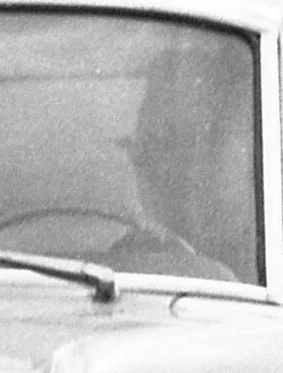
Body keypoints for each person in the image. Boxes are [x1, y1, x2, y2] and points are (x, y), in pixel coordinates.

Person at [105, 37, 258, 281]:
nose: (148, 166)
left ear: (250, 154)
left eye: (172, 144)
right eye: (145, 147)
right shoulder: (114, 271)